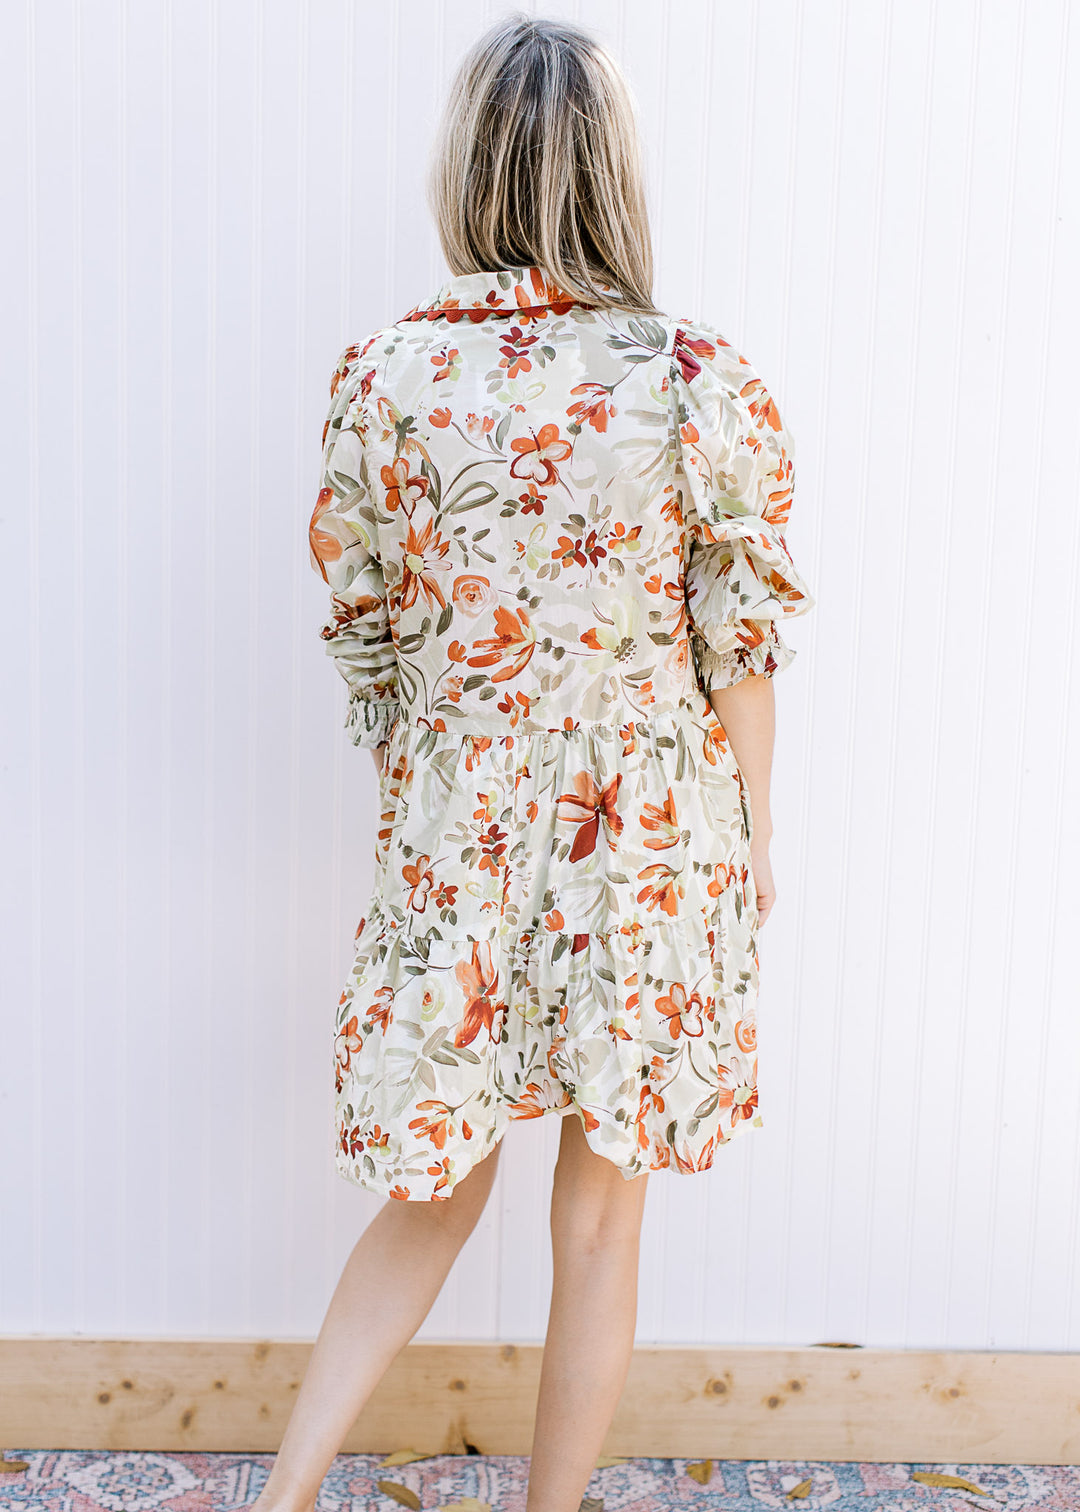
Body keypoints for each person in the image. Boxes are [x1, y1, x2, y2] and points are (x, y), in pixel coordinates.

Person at [255, 12, 815, 1512]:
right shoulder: (700, 379)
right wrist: (754, 833)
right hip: (643, 844)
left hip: (459, 826)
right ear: (616, 176)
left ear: (470, 173)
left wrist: (430, 801)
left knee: (430, 1185)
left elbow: (367, 634)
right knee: (598, 1219)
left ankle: (285, 1490)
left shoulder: (385, 382)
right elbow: (738, 643)